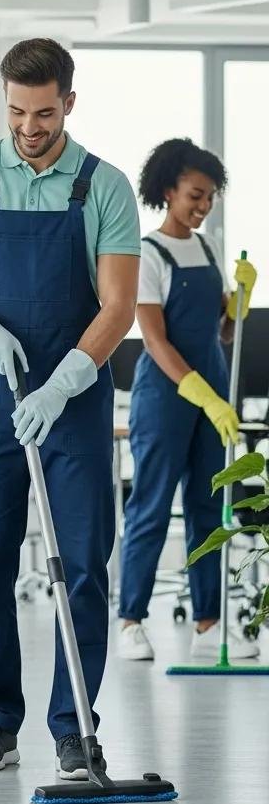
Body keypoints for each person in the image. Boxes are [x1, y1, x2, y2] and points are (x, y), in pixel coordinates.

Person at [0, 38, 140, 778]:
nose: (28, 127)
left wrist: (68, 378)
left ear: (68, 104)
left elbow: (118, 306)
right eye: (16, 111)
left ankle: (74, 726)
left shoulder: (104, 186)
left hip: (73, 396)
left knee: (83, 565)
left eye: (44, 113)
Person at [117, 139, 260, 660]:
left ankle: (208, 621)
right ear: (167, 189)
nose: (203, 207)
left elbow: (220, 333)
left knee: (209, 507)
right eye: (196, 196)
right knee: (151, 509)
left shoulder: (206, 247)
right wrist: (200, 393)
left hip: (213, 394)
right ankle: (130, 619)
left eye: (210, 198)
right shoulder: (146, 253)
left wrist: (239, 301)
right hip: (166, 396)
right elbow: (154, 340)